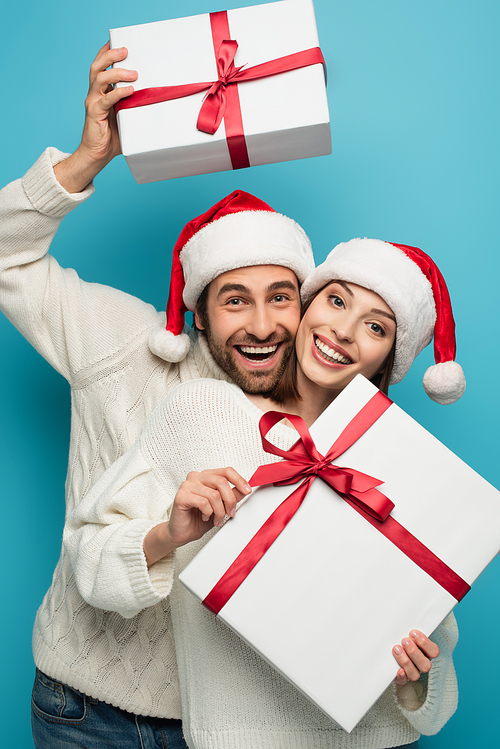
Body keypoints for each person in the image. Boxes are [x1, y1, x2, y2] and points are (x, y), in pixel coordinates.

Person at [0, 43, 316, 749]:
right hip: (85, 710)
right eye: (235, 300)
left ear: (305, 305)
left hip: (242, 725)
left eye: (280, 298)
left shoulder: (324, 414)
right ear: (198, 308)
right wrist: (84, 161)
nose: (262, 325)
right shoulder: (124, 343)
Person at [65, 238, 465, 748]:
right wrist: (168, 533)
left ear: (390, 355)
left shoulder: (402, 457)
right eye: (336, 301)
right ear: (306, 305)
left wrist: (416, 679)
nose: (343, 331)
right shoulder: (200, 411)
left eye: (376, 326)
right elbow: (90, 559)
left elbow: (437, 675)